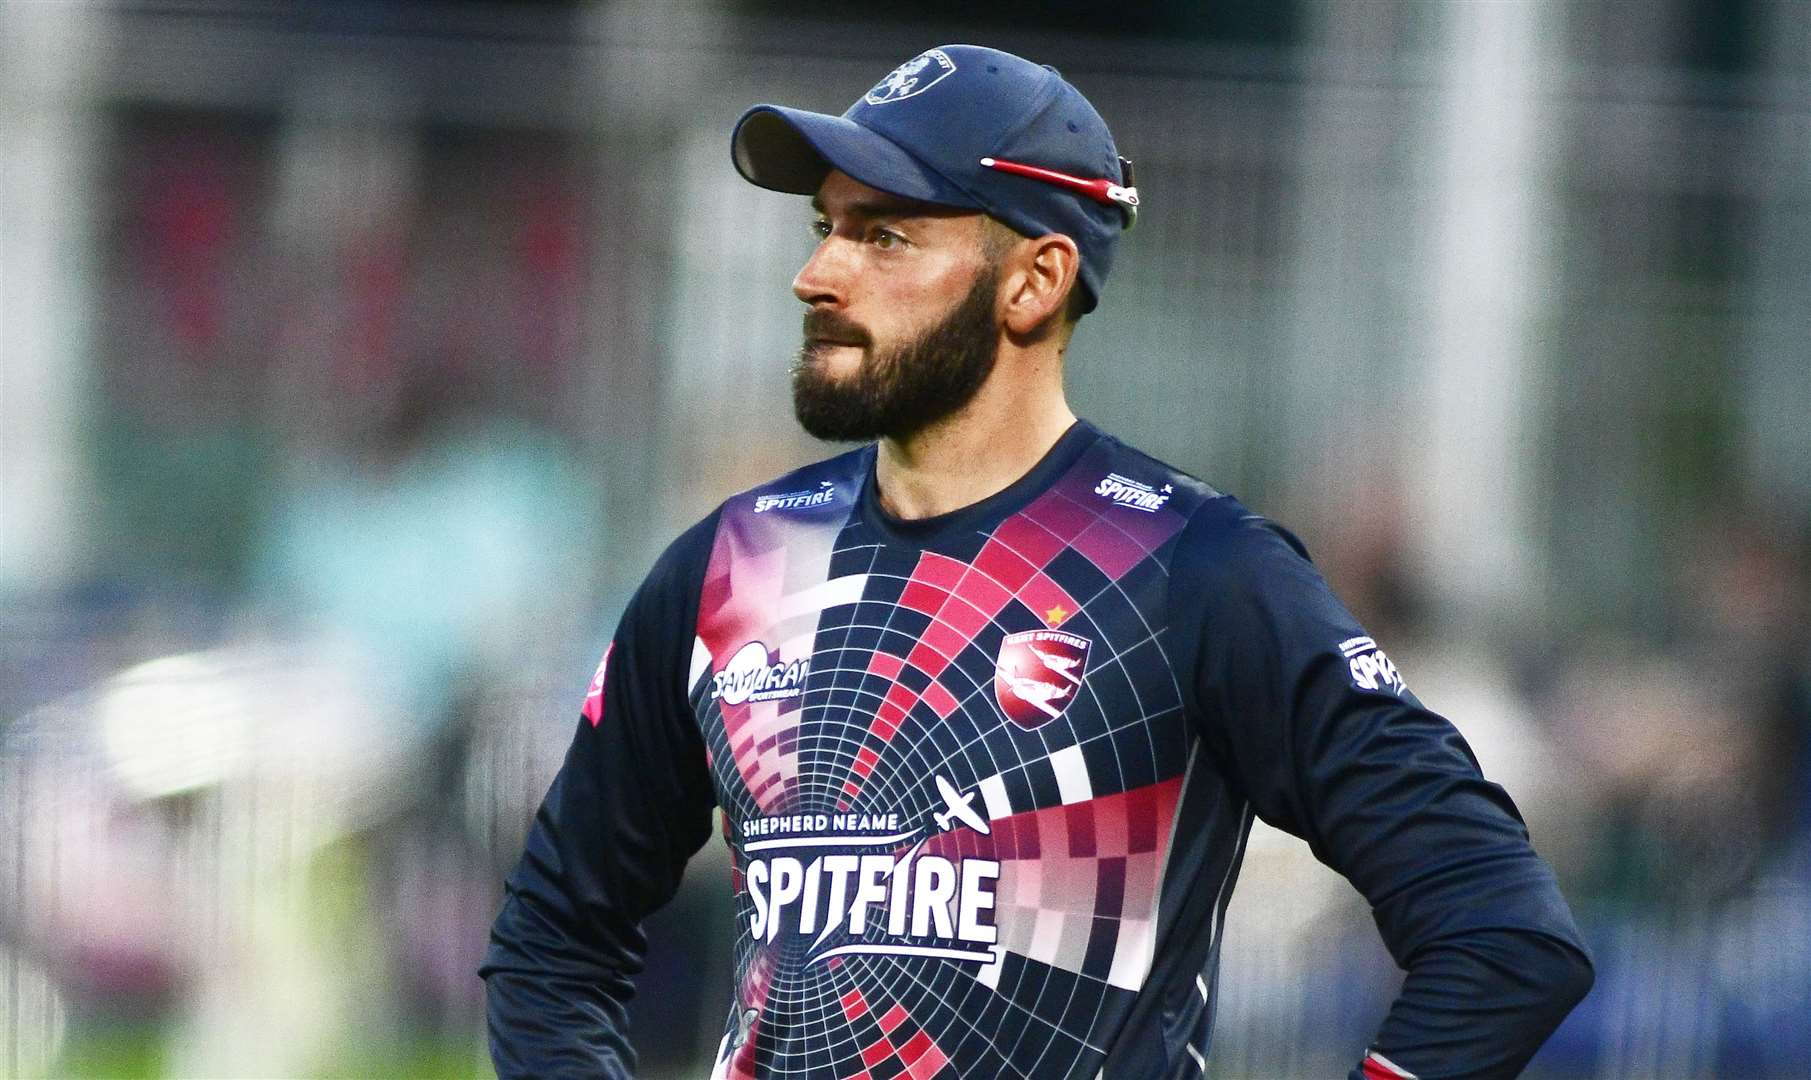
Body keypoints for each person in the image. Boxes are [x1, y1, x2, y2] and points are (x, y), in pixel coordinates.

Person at [482, 44, 1593, 1080]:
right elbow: (549, 939)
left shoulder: (1192, 570)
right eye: (824, 227)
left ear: (1033, 281)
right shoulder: (728, 563)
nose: (815, 274)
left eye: (884, 235)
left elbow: (1502, 938)